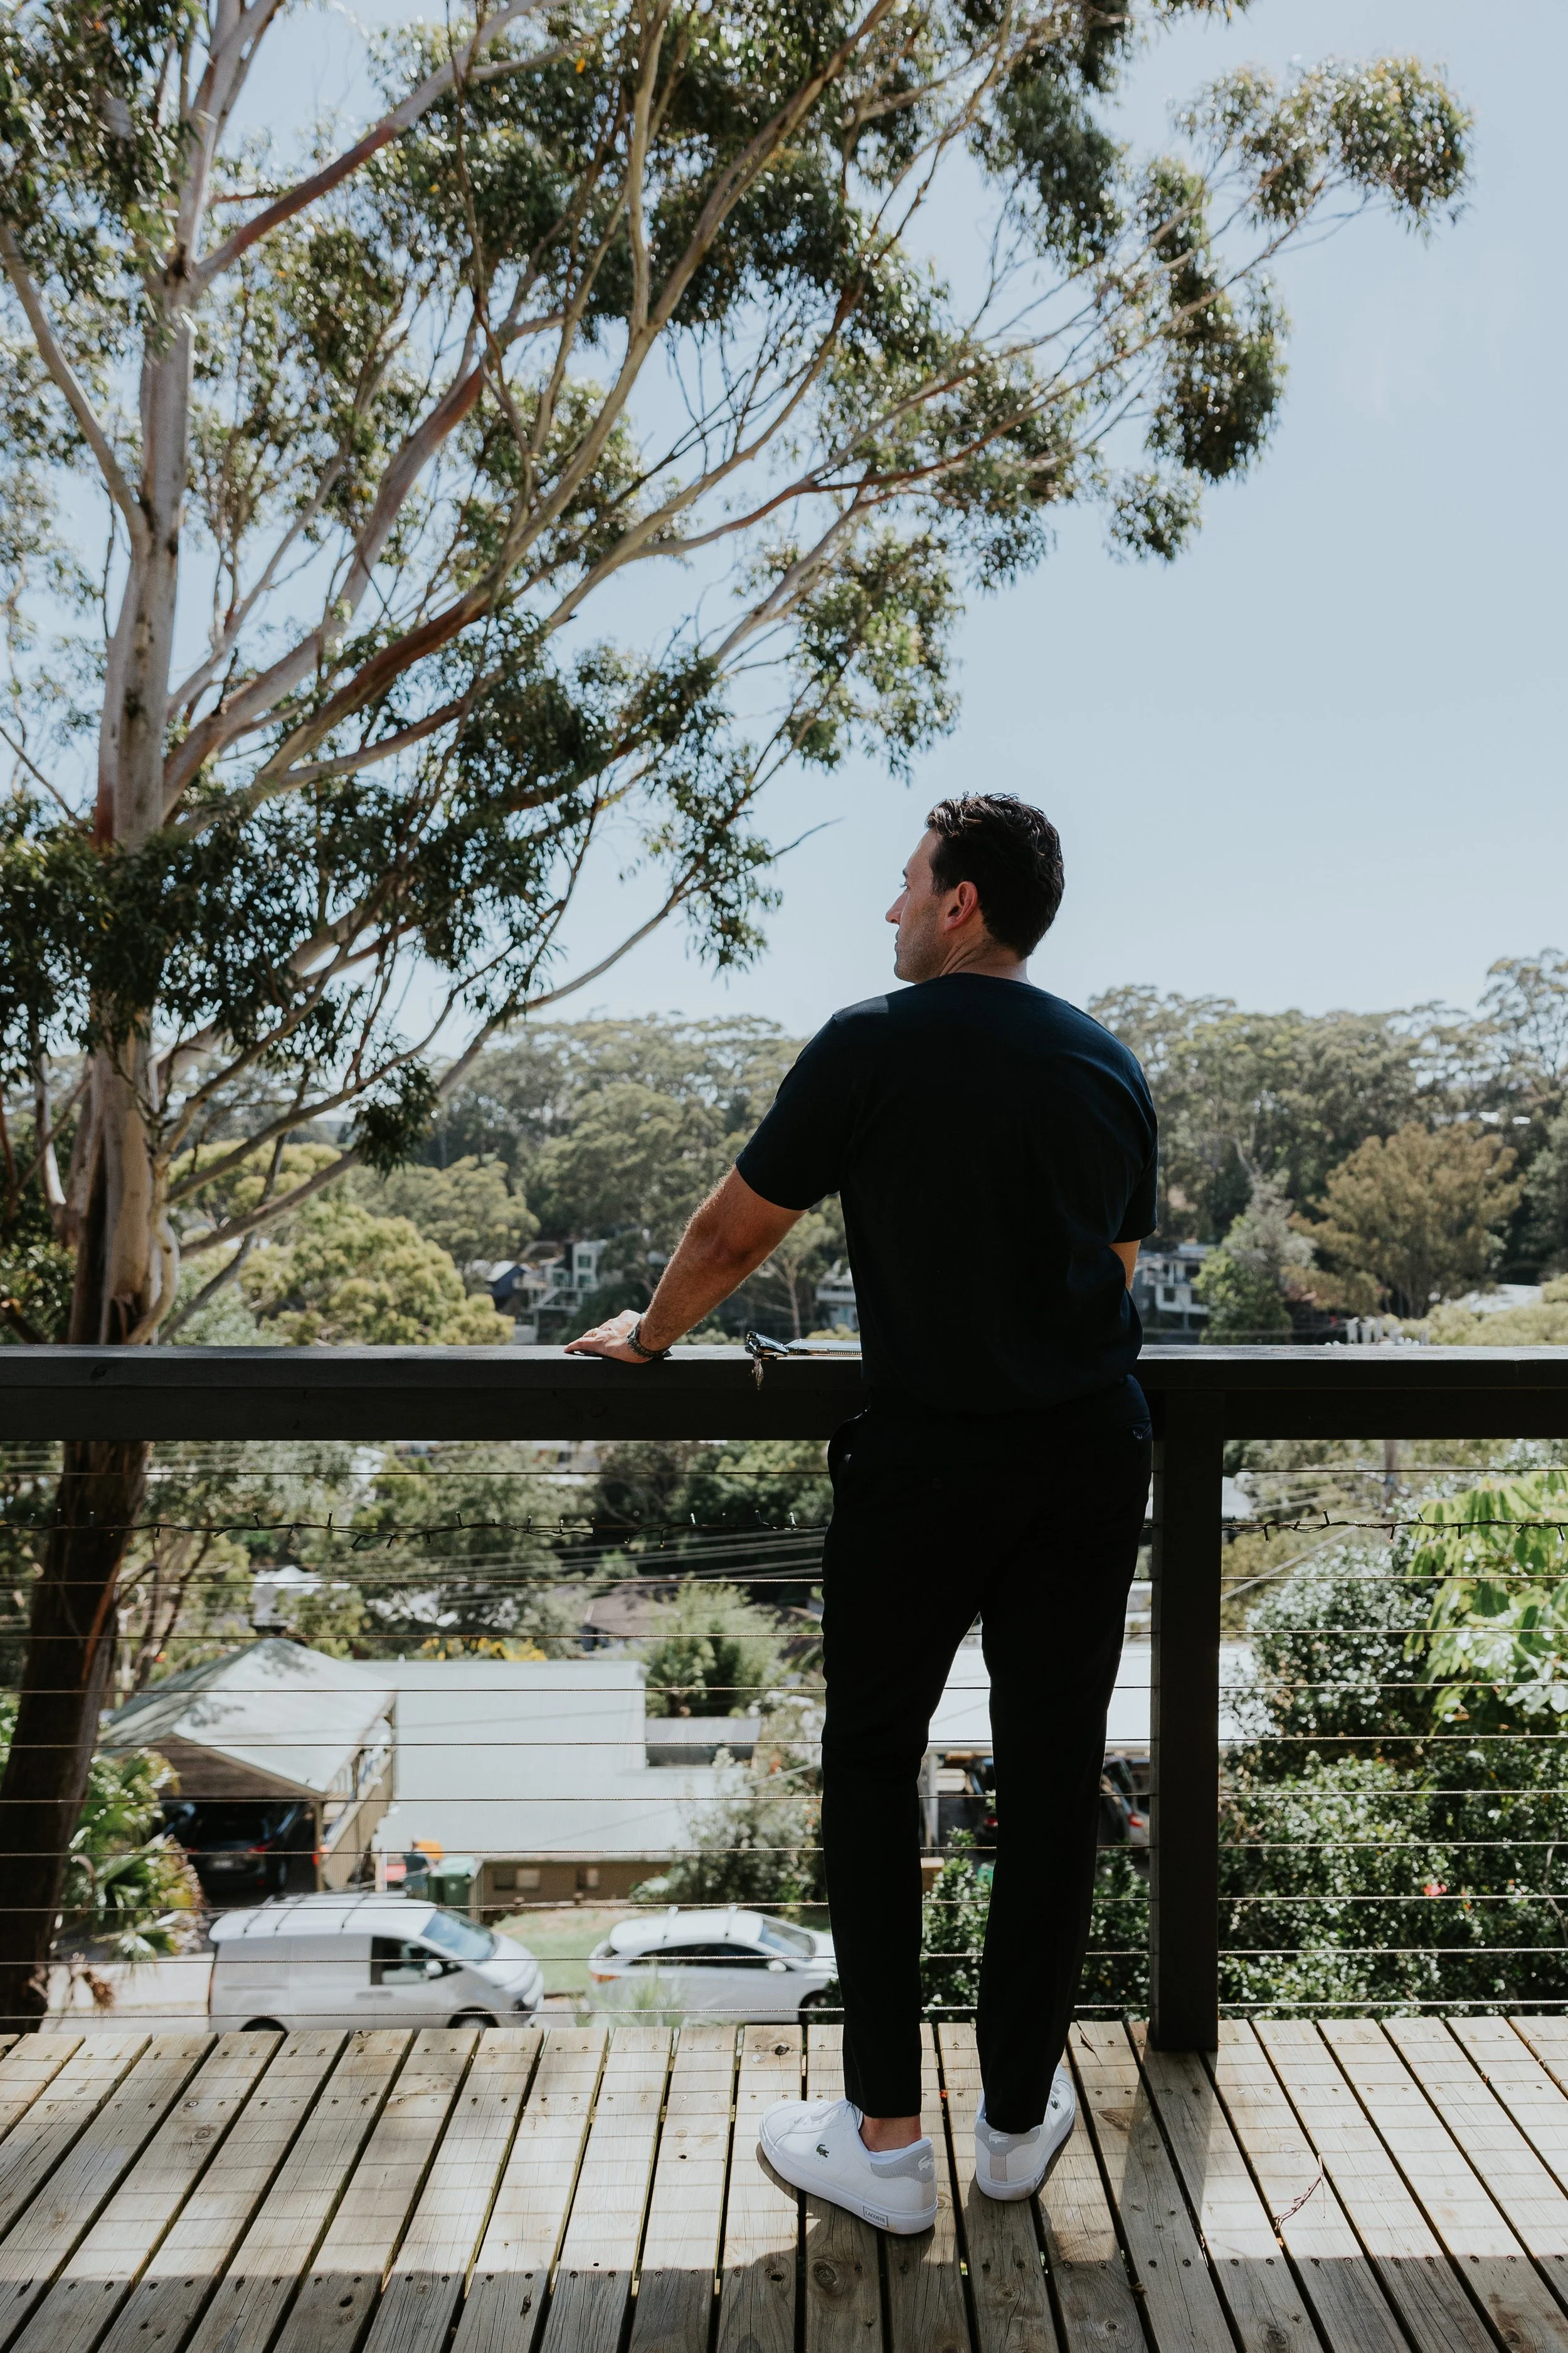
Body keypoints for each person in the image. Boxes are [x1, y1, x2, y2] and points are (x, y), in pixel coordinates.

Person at [567, 794, 1156, 2234]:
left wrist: (647, 1337)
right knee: (1051, 1783)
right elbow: (1121, 1268)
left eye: (903, 887)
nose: (887, 911)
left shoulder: (872, 1045)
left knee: (871, 1772)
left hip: (925, 1469)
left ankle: (883, 2143)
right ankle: (1015, 2124)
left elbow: (732, 1231)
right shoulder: (1106, 1065)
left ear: (959, 904)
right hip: (1086, 1461)